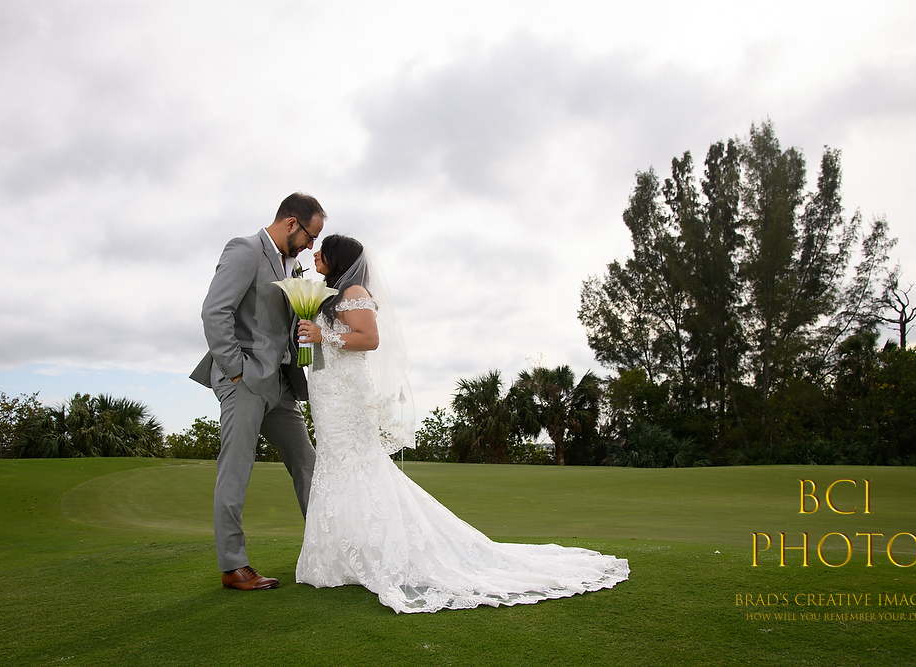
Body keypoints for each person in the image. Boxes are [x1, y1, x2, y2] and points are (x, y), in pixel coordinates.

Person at [294, 235, 629, 613]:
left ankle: (380, 552)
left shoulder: (354, 292)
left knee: (358, 463)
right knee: (334, 464)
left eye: (323, 250)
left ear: (339, 258)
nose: (316, 254)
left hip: (347, 397)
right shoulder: (327, 294)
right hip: (327, 393)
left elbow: (369, 339)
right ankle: (339, 556)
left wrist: (323, 335)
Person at [190, 192, 325, 591]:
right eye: (310, 236)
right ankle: (233, 566)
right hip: (245, 381)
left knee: (308, 465)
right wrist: (236, 371)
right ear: (291, 223)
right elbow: (214, 312)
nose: (310, 246)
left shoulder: (293, 264)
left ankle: (328, 548)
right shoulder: (245, 250)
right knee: (236, 470)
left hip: (281, 384)